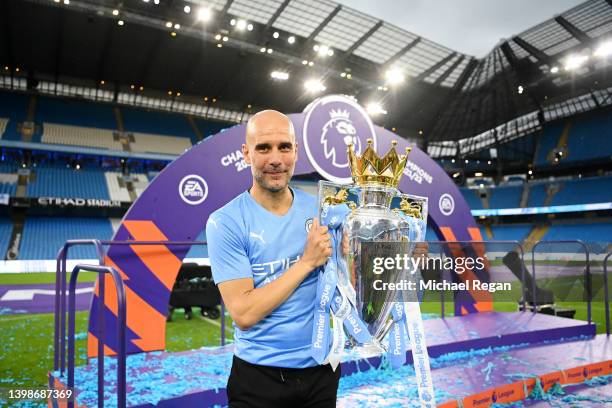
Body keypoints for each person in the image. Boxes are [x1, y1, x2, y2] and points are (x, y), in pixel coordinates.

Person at [206, 110, 339, 408]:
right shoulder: (225, 222)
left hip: (322, 372)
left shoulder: (322, 210)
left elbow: (346, 282)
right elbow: (244, 313)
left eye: (284, 147)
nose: (275, 159)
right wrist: (306, 262)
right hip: (259, 379)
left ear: (296, 152)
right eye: (263, 148)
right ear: (246, 154)